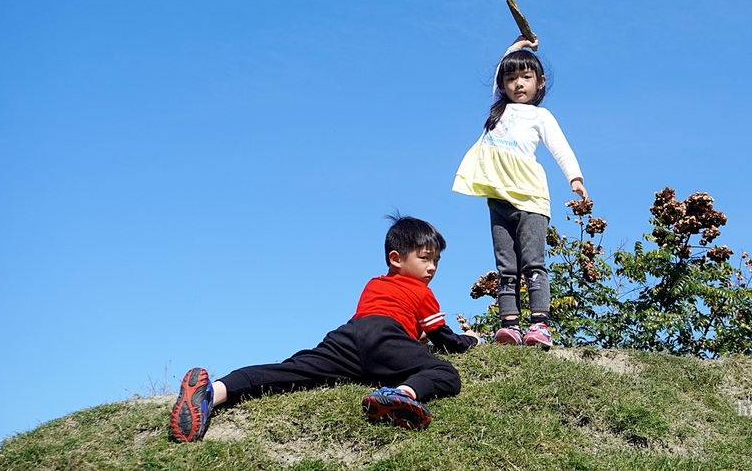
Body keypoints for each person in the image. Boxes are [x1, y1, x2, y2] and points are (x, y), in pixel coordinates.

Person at [168, 214, 480, 442]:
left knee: (289, 372)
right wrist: (470, 339)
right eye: (425, 259)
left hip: (347, 338)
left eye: (437, 261)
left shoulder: (375, 284)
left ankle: (214, 392)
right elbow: (443, 339)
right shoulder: (421, 291)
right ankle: (401, 394)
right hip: (386, 338)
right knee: (445, 374)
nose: (432, 268)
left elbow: (385, 320)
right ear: (396, 259)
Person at [452, 36, 588, 349]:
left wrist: (575, 178)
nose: (518, 84)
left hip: (530, 199)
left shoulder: (541, 117)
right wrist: (513, 48)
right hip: (498, 199)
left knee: (532, 264)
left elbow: (561, 149)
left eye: (526, 77)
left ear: (540, 83)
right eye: (511, 78)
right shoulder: (498, 111)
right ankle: (510, 326)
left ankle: (539, 326)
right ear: (503, 84)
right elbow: (501, 67)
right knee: (506, 266)